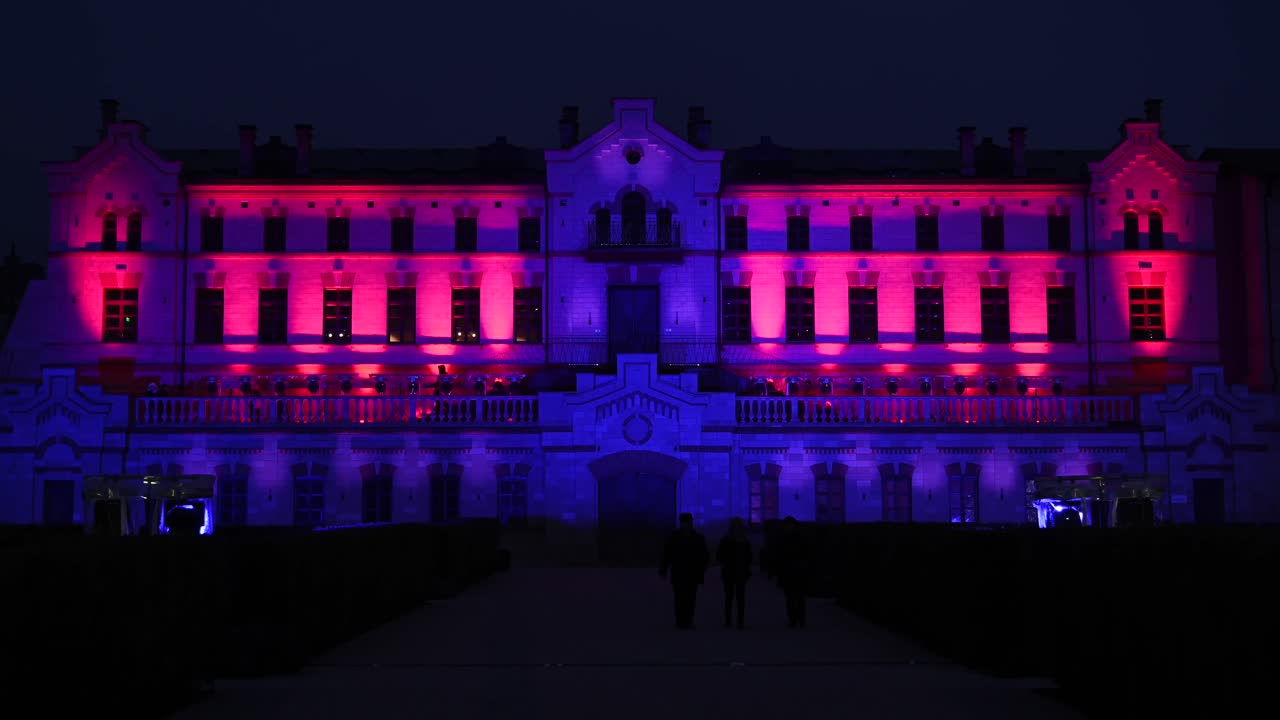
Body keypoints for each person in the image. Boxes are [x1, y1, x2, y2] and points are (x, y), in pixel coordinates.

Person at [660, 513, 709, 629]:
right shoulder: (677, 537)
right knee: (680, 598)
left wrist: (701, 568)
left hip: (690, 573)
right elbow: (667, 553)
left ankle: (687, 620)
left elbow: (704, 555)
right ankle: (682, 621)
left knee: (689, 598)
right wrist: (663, 568)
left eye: (688, 522)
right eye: (685, 522)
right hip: (680, 572)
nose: (686, 525)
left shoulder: (695, 538)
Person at [773, 516, 810, 628]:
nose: (789, 527)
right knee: (791, 598)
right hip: (790, 571)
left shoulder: (793, 539)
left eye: (790, 525)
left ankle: (799, 620)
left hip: (796, 571)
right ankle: (794, 620)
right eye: (787, 525)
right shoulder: (785, 539)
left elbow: (804, 554)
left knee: (798, 597)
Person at [716, 517, 752, 629]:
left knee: (731, 597)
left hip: (732, 572)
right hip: (736, 572)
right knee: (736, 598)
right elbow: (749, 557)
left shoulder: (728, 540)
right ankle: (737, 621)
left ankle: (731, 621)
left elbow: (719, 555)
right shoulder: (743, 541)